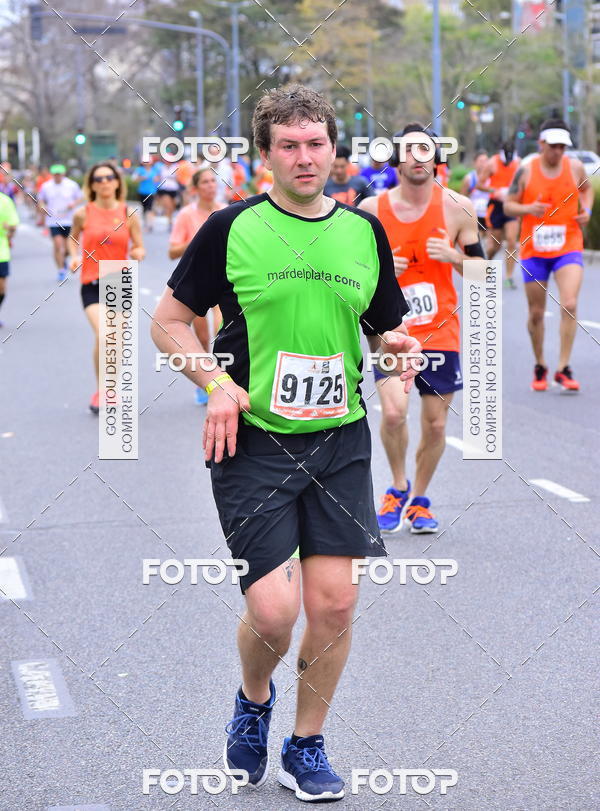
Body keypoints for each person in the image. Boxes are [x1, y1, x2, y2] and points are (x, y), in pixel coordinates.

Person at [151, 84, 420, 802]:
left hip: (339, 439)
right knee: (273, 612)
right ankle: (253, 698)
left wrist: (395, 347)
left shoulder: (362, 232)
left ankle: (306, 744)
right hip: (254, 440)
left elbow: (381, 327)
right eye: (289, 145)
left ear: (335, 149)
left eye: (316, 143)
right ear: (265, 155)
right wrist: (215, 382)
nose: (305, 157)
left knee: (334, 605)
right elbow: (167, 322)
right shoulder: (230, 228)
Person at [360, 123, 481, 534]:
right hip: (390, 330)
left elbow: (484, 274)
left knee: (436, 424)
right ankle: (398, 486)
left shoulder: (459, 207)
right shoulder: (372, 210)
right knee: (394, 413)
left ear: (437, 160)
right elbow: (348, 273)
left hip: (440, 330)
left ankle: (421, 500)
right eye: (409, 150)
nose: (417, 157)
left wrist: (453, 255)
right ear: (396, 160)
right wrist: (379, 272)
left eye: (425, 150)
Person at [504, 118, 592, 392]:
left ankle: (563, 368)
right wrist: (527, 208)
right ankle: (540, 363)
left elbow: (587, 189)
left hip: (568, 246)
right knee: (536, 313)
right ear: (541, 144)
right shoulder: (526, 171)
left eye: (562, 147)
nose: (558, 151)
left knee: (570, 304)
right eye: (553, 146)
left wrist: (587, 211)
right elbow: (508, 206)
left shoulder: (575, 167)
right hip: (534, 250)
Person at [68, 162, 145, 413]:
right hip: (91, 281)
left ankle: (110, 388)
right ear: (91, 185)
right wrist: (73, 256)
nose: (104, 182)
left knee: (117, 341)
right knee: (104, 334)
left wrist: (138, 252)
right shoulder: (83, 213)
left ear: (117, 182)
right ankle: (101, 390)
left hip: (118, 281)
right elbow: (73, 238)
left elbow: (138, 245)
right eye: (98, 179)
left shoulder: (128, 213)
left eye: (109, 177)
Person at [169, 168, 224, 405]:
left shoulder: (226, 212)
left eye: (213, 181)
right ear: (195, 188)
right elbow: (172, 252)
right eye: (205, 182)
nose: (210, 186)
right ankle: (204, 381)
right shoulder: (185, 215)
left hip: (225, 279)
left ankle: (225, 379)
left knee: (223, 329)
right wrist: (200, 239)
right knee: (202, 336)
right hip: (197, 280)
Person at [38, 164, 83, 282]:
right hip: (54, 221)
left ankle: (63, 260)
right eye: (55, 174)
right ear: (52, 174)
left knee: (68, 249)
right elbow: (41, 200)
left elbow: (80, 197)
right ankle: (61, 270)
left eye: (59, 174)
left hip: (69, 220)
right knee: (58, 245)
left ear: (63, 174)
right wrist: (43, 207)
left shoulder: (71, 185)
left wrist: (74, 204)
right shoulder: (46, 186)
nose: (57, 176)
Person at [485, 141, 520, 288]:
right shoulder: (491, 163)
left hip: (510, 205)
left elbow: (522, 184)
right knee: (496, 245)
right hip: (496, 206)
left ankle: (509, 277)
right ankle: (488, 261)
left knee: (512, 241)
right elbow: (480, 184)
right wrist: (495, 191)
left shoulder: (519, 163)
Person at [461, 150, 493, 232]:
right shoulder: (469, 178)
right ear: (475, 163)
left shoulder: (493, 177)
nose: (484, 164)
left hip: (490, 214)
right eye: (481, 161)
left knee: (492, 238)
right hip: (475, 215)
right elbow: (462, 199)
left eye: (486, 161)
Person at [0, 191, 19, 327]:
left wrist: (10, 230)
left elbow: (13, 225)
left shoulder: (5, 201)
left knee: (1, 288)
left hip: (1, 250)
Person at [132, 158, 161, 230]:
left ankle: (150, 224)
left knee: (149, 208)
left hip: (151, 192)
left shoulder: (154, 170)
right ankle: (146, 222)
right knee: (144, 208)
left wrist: (156, 180)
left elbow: (158, 179)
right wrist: (142, 178)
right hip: (142, 192)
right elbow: (134, 179)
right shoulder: (139, 170)